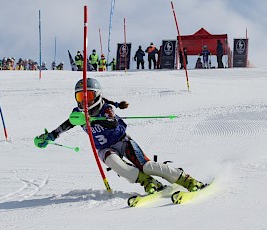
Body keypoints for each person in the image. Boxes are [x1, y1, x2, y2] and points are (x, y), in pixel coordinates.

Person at [34, 78, 206, 195]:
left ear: (97, 95)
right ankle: (148, 183)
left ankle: (185, 179)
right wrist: (51, 136)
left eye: (88, 96)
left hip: (122, 142)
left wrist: (92, 119)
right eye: (80, 97)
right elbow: (67, 124)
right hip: (104, 148)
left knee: (146, 165)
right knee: (119, 167)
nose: (84, 101)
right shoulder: (77, 113)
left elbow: (113, 123)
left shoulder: (106, 109)